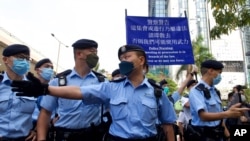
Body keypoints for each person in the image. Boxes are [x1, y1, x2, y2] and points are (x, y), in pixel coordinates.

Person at [11, 44, 177, 141]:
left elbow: (168, 126)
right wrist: (46, 89)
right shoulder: (111, 87)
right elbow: (78, 91)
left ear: (141, 60)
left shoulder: (157, 92)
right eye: (121, 59)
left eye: (127, 57)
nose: (123, 62)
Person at [35, 39, 107, 141]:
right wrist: (41, 139)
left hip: (93, 136)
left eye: (96, 52)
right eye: (92, 52)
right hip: (65, 136)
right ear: (79, 54)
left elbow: (109, 109)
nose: (96, 56)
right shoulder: (58, 83)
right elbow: (46, 112)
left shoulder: (102, 82)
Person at [188, 59, 250, 141]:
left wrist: (228, 136)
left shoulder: (214, 91)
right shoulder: (196, 91)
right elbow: (203, 116)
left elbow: (219, 118)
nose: (220, 76)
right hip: (203, 135)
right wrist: (227, 114)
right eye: (219, 73)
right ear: (210, 71)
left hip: (218, 134)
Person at [0, 44, 36, 141]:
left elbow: (43, 112)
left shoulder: (34, 87)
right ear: (5, 60)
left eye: (27, 59)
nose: (25, 62)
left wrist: (36, 130)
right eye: (20, 58)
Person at [31, 58, 56, 140]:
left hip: (47, 130)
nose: (50, 70)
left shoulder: (55, 90)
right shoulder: (29, 88)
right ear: (38, 70)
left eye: (52, 68)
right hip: (28, 130)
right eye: (47, 66)